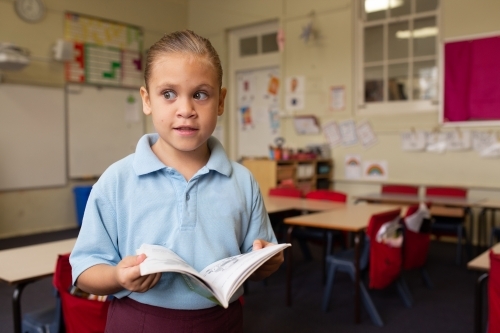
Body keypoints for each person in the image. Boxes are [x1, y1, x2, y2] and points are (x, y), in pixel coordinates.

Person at [69, 30, 283, 333]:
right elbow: (84, 270)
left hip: (221, 320)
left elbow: (261, 261)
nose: (185, 109)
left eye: (200, 94)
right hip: (139, 319)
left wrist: (267, 262)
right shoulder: (116, 180)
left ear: (220, 101)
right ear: (147, 100)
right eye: (168, 94)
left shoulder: (243, 181)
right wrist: (118, 276)